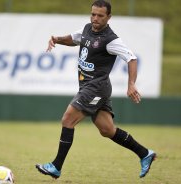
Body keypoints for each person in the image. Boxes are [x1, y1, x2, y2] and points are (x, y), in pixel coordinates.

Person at [36, 0, 156, 179]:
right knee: (106, 129)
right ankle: (144, 153)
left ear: (109, 17)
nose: (95, 18)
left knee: (68, 119)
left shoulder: (110, 39)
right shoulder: (87, 29)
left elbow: (131, 58)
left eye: (100, 15)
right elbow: (74, 39)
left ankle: (56, 166)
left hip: (95, 88)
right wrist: (57, 39)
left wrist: (131, 84)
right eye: (93, 14)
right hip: (92, 87)